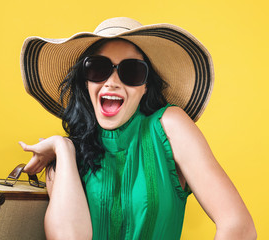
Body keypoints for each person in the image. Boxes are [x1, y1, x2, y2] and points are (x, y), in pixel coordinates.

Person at [18, 17, 256, 239]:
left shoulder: (169, 126)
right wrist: (63, 147)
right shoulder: (63, 160)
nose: (112, 81)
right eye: (98, 68)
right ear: (85, 81)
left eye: (131, 71)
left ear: (145, 86)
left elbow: (239, 227)